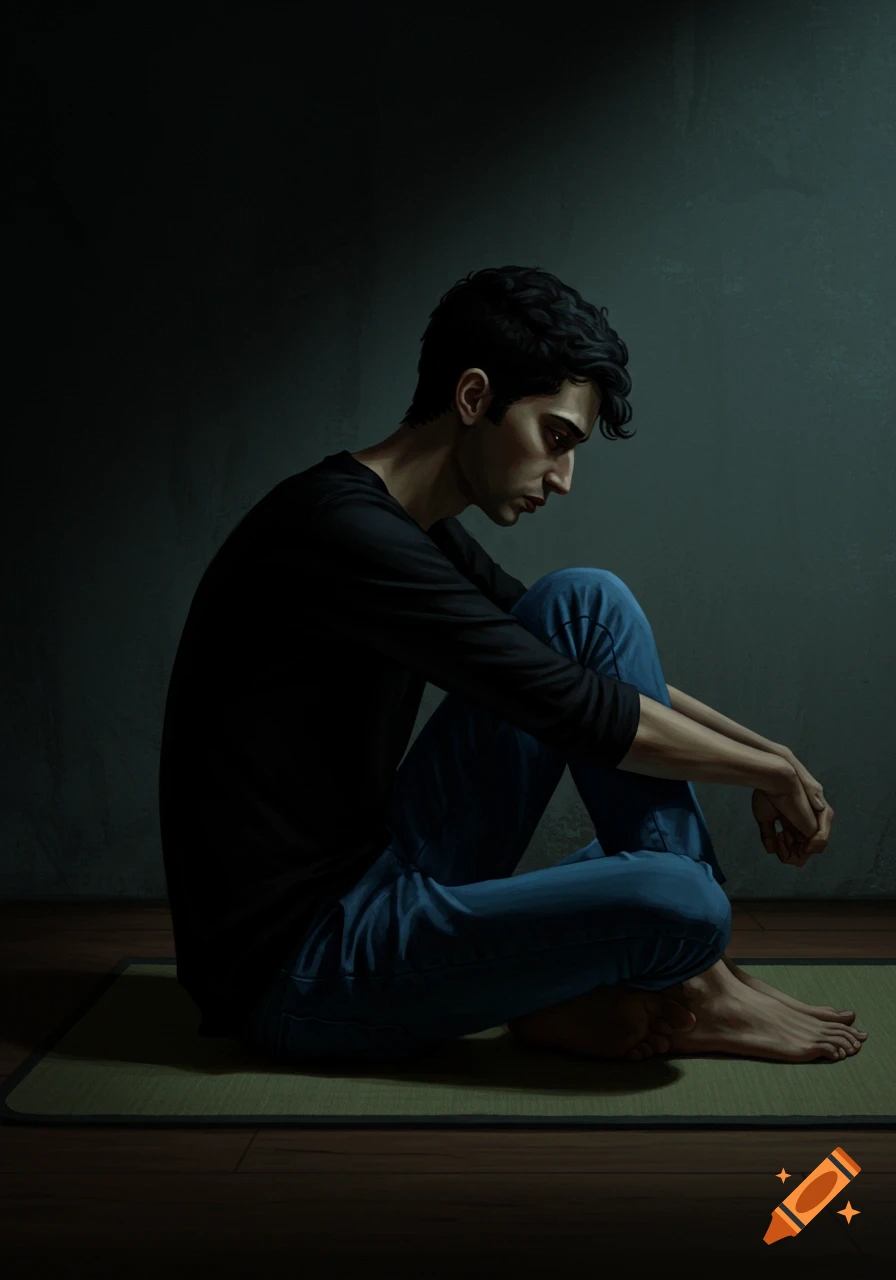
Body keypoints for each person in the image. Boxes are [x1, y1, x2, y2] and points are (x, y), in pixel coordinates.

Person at [159, 265, 866, 1067]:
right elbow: (573, 708)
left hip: (384, 872)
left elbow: (583, 671)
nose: (563, 479)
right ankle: (683, 978)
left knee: (586, 604)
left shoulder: (411, 527)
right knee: (684, 899)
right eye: (555, 439)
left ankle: (674, 979)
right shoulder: (342, 534)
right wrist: (767, 773)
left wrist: (773, 756)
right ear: (473, 397)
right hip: (300, 968)